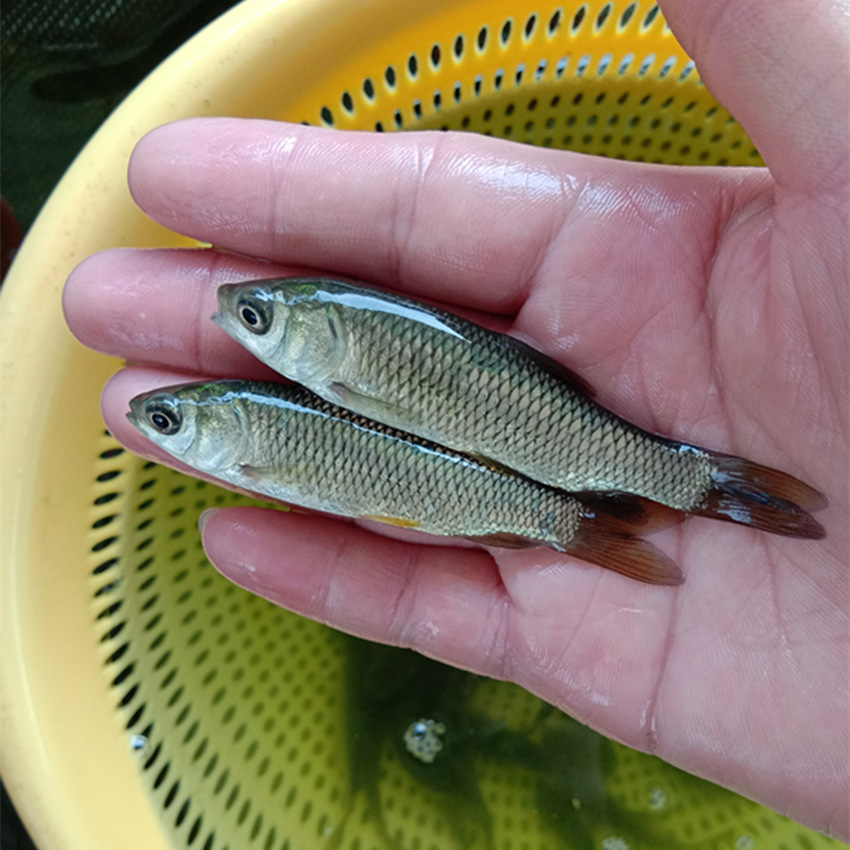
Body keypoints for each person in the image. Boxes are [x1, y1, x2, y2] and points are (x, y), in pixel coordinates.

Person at [63, 0, 848, 839]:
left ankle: (680, 485)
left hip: (529, 426)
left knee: (573, 487)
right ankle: (644, 497)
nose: (234, 322)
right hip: (498, 458)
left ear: (316, 335)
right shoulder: (298, 393)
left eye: (256, 321)